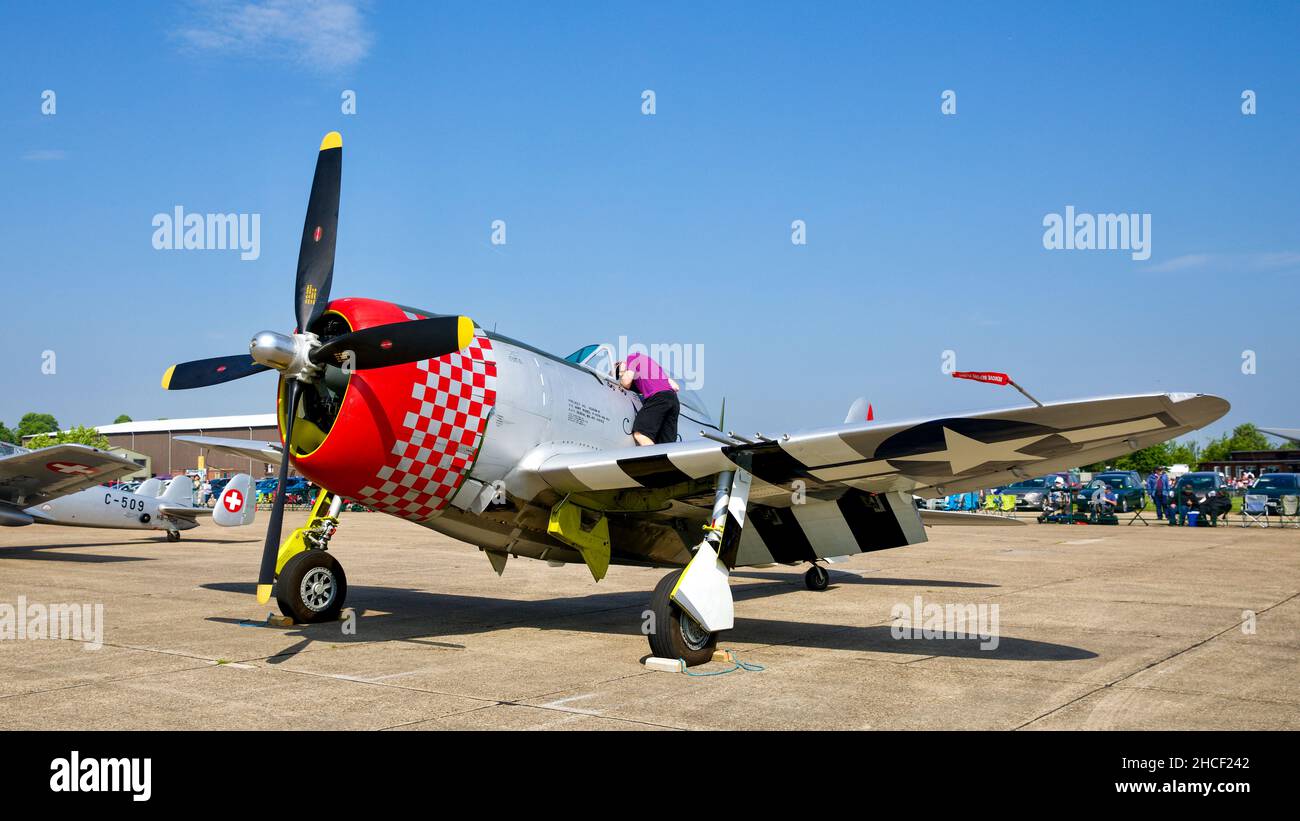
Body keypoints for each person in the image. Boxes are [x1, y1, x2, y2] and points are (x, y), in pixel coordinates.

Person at [616, 352, 680, 446]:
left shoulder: (632, 357)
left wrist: (621, 372)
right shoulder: (654, 366)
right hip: (673, 400)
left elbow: (626, 382)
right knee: (666, 446)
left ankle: (656, 460)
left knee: (641, 434)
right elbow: (676, 387)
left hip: (658, 398)